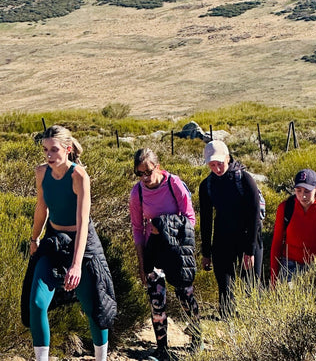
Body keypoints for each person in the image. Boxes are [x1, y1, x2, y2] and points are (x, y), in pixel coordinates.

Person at [22, 125, 116, 361]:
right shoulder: (41, 172)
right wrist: (35, 239)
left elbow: (83, 222)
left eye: (54, 150)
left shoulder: (79, 176)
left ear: (68, 148)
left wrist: (75, 265)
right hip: (54, 240)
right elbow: (41, 209)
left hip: (81, 244)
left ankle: (100, 358)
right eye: (45, 150)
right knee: (36, 302)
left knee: (94, 305)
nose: (49, 155)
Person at [129, 148, 201, 360]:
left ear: (157, 167)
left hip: (176, 249)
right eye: (139, 173)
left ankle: (197, 338)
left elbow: (190, 218)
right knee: (156, 299)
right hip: (154, 251)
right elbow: (137, 228)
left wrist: (163, 226)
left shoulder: (174, 184)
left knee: (184, 294)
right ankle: (162, 348)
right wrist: (142, 263)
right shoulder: (138, 193)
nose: (145, 178)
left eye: (148, 172)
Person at [199, 140, 263, 319]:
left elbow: (254, 215)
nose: (217, 168)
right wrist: (206, 253)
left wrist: (249, 251)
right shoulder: (207, 186)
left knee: (251, 287)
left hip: (248, 236)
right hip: (223, 238)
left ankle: (254, 325)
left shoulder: (245, 179)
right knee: (225, 288)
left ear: (228, 158)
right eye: (212, 165)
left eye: (220, 163)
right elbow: (206, 221)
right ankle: (228, 327)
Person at [270, 169, 316, 286]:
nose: (303, 195)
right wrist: (274, 278)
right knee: (288, 300)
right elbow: (276, 243)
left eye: (307, 191)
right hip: (290, 264)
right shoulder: (286, 208)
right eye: (298, 190)